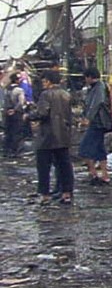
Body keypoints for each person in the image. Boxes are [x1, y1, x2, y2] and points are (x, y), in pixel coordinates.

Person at [26, 70, 74, 204]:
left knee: (43, 167)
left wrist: (29, 116)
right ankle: (67, 193)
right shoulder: (66, 94)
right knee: (64, 166)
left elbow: (42, 113)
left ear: (48, 81)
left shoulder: (45, 95)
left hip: (47, 136)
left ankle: (45, 195)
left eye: (44, 81)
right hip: (63, 136)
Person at [79, 67, 112, 184]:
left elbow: (97, 103)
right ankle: (104, 175)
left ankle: (93, 173)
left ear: (89, 77)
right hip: (98, 122)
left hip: (98, 122)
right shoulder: (95, 88)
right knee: (99, 148)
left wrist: (88, 117)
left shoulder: (99, 87)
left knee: (84, 148)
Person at [3, 74, 26, 157]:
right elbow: (21, 102)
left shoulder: (6, 89)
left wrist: (7, 110)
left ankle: (7, 151)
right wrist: (15, 110)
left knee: (8, 132)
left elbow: (4, 102)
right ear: (16, 80)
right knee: (18, 132)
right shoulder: (19, 90)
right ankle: (17, 151)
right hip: (17, 113)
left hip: (7, 113)